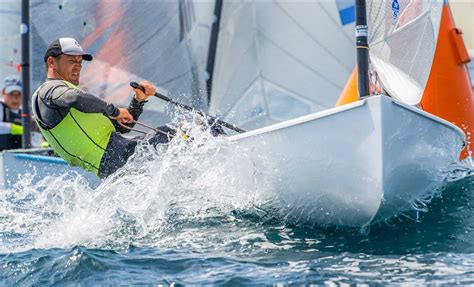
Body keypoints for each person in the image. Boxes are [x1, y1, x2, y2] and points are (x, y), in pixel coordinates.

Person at [32, 37, 177, 178]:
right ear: (52, 62)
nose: (78, 67)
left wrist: (138, 101)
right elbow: (74, 98)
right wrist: (115, 110)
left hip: (116, 160)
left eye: (80, 62)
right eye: (71, 61)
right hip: (116, 156)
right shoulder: (49, 90)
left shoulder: (70, 101)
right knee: (180, 132)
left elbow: (123, 127)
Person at [0, 75, 23, 150]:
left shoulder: (23, 112)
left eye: (18, 94)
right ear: (3, 92)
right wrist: (16, 129)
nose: (15, 98)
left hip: (18, 157)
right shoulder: (1, 106)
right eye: (11, 93)